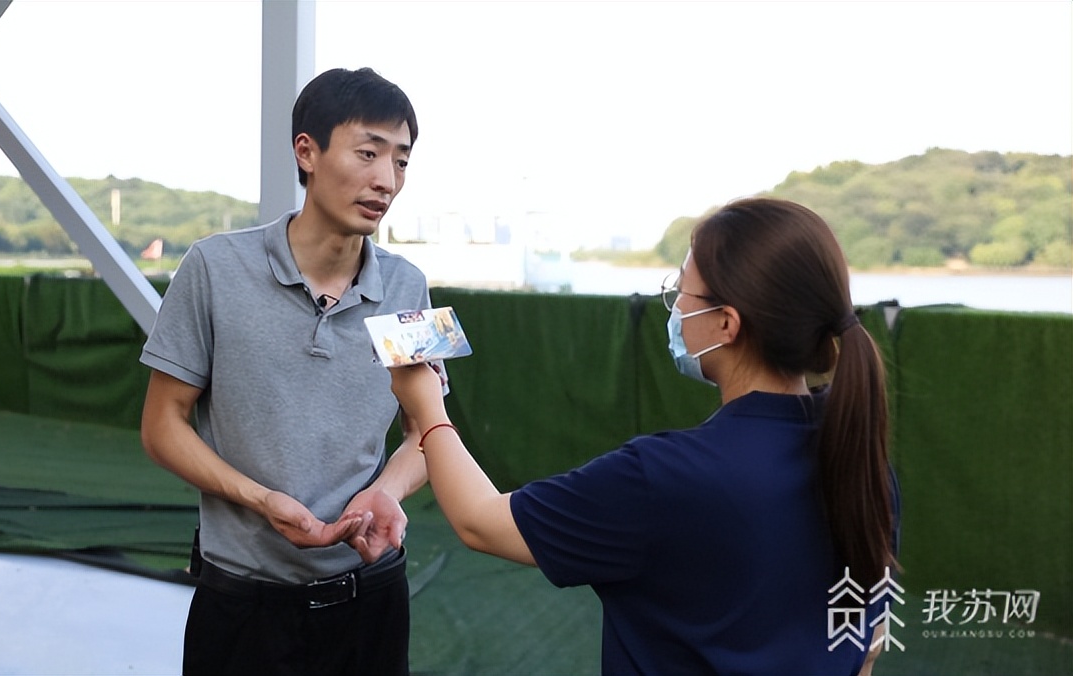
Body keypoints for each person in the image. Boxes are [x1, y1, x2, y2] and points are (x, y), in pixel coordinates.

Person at [389, 197, 900, 676]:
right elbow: (865, 641)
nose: (675, 306)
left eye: (682, 290)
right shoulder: (862, 464)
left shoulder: (664, 477)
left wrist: (427, 405)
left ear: (726, 323)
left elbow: (482, 523)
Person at [140, 67, 433, 675]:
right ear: (307, 151)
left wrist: (387, 490)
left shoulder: (408, 286)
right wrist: (260, 498)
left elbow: (427, 433)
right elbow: (162, 424)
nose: (387, 180)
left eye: (401, 160)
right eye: (368, 153)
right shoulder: (215, 267)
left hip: (372, 600)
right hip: (243, 604)